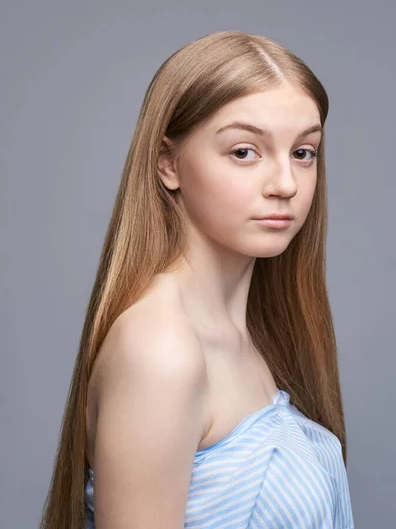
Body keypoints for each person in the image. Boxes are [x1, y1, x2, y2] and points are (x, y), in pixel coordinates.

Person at [39, 30, 355, 528]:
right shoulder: (162, 350)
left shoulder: (255, 339)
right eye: (244, 152)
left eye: (303, 152)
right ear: (168, 163)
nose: (286, 185)